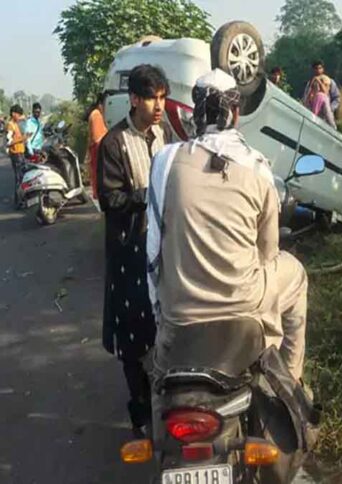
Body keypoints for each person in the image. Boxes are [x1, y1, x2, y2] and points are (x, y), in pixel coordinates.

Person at [147, 68, 308, 382]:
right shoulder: (257, 166)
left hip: (178, 310)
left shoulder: (165, 162)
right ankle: (292, 380)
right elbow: (267, 253)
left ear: (195, 112)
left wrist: (160, 308)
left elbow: (153, 246)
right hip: (243, 305)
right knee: (296, 274)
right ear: (235, 112)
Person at [97, 64, 172, 438]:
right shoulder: (114, 143)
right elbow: (109, 199)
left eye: (162, 98)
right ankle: (140, 411)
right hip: (129, 253)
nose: (159, 106)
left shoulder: (164, 134)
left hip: (163, 249)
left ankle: (168, 398)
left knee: (165, 326)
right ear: (134, 99)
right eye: (151, 99)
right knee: (133, 335)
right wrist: (147, 195)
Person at [302, 60, 339, 127]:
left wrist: (330, 109)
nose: (318, 70)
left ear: (323, 69)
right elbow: (306, 98)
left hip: (326, 115)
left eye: (320, 68)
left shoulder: (329, 81)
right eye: (316, 68)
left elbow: (336, 98)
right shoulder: (310, 83)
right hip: (313, 113)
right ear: (313, 70)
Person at [86, 92, 109, 200]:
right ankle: (98, 193)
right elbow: (97, 137)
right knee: (97, 172)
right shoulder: (96, 115)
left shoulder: (95, 114)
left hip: (96, 148)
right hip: (97, 148)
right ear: (100, 104)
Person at [6, 105, 28, 206]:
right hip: (16, 154)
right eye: (18, 115)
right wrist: (21, 139)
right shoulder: (10, 125)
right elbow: (9, 142)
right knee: (19, 178)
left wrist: (24, 139)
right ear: (13, 114)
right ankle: (19, 201)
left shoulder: (16, 124)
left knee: (22, 177)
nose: (19, 117)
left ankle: (21, 199)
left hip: (20, 152)